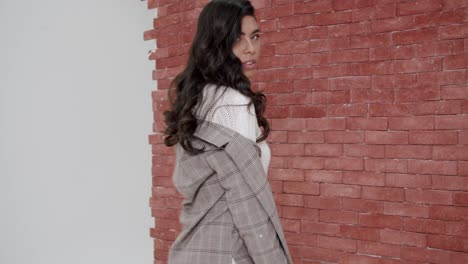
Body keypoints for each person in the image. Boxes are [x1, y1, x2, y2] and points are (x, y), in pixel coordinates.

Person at [162, 1, 293, 263]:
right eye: (237, 39)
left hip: (195, 248)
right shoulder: (233, 102)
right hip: (230, 251)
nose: (250, 48)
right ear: (217, 43)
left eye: (255, 36)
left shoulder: (196, 98)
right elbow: (247, 204)